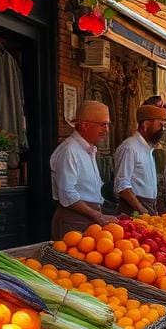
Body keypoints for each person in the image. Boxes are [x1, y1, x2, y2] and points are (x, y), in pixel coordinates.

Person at [49, 100, 117, 240]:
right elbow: (67, 195)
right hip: (73, 221)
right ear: (85, 125)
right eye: (102, 125)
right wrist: (97, 215)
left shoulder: (88, 150)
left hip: (89, 219)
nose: (106, 130)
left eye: (107, 125)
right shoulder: (70, 151)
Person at [114, 104, 166, 215]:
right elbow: (122, 186)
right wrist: (141, 209)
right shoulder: (130, 147)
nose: (163, 130)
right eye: (160, 125)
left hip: (148, 207)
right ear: (145, 125)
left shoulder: (147, 148)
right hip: (134, 210)